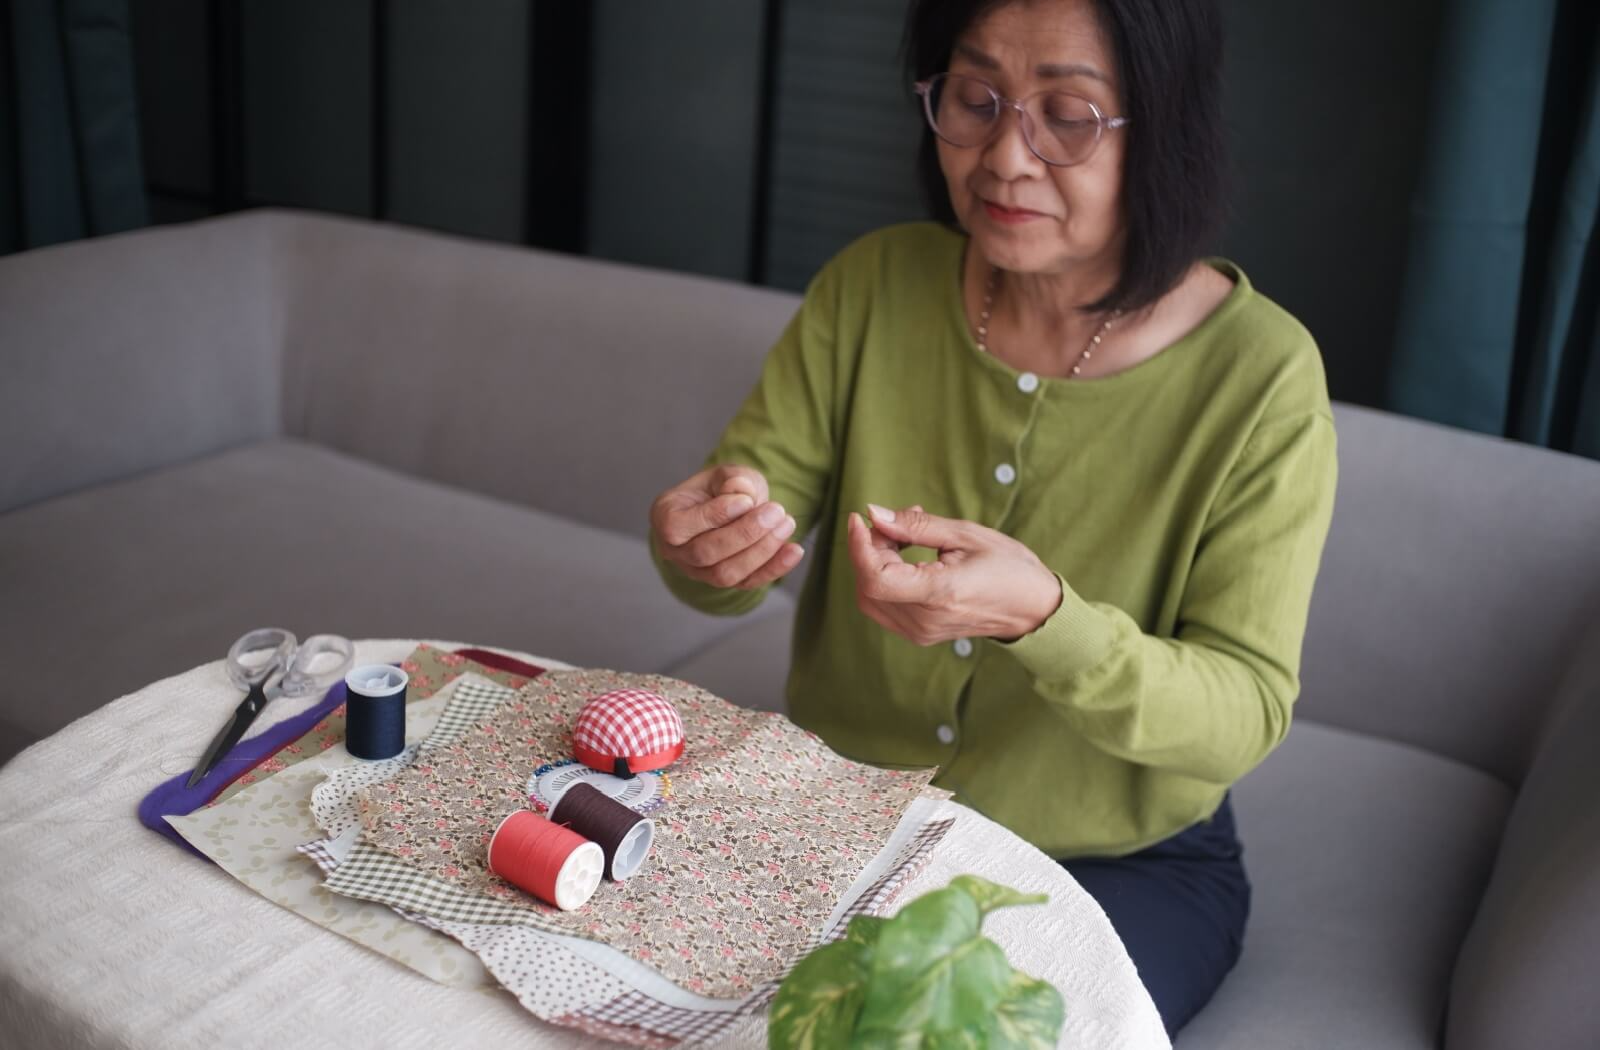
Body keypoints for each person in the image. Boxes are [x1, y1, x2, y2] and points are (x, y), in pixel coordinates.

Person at [648, 0, 1337, 1034]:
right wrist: (708, 541)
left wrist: (1044, 621)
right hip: (841, 816)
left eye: (1068, 115)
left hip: (1116, 863)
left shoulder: (1262, 379)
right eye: (973, 100)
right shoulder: (873, 285)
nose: (1004, 156)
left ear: (1166, 124)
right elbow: (743, 524)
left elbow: (1240, 715)